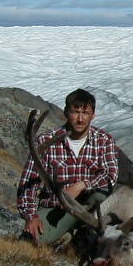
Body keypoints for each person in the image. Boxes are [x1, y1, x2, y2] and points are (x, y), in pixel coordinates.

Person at [17, 88, 119, 244]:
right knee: (28, 244)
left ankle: (79, 233)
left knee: (101, 196)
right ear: (65, 113)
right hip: (56, 208)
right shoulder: (46, 141)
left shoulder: (104, 140)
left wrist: (81, 185)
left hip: (90, 204)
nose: (80, 119)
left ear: (93, 115)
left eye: (85, 113)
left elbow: (110, 175)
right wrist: (31, 216)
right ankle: (71, 232)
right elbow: (28, 183)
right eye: (75, 112)